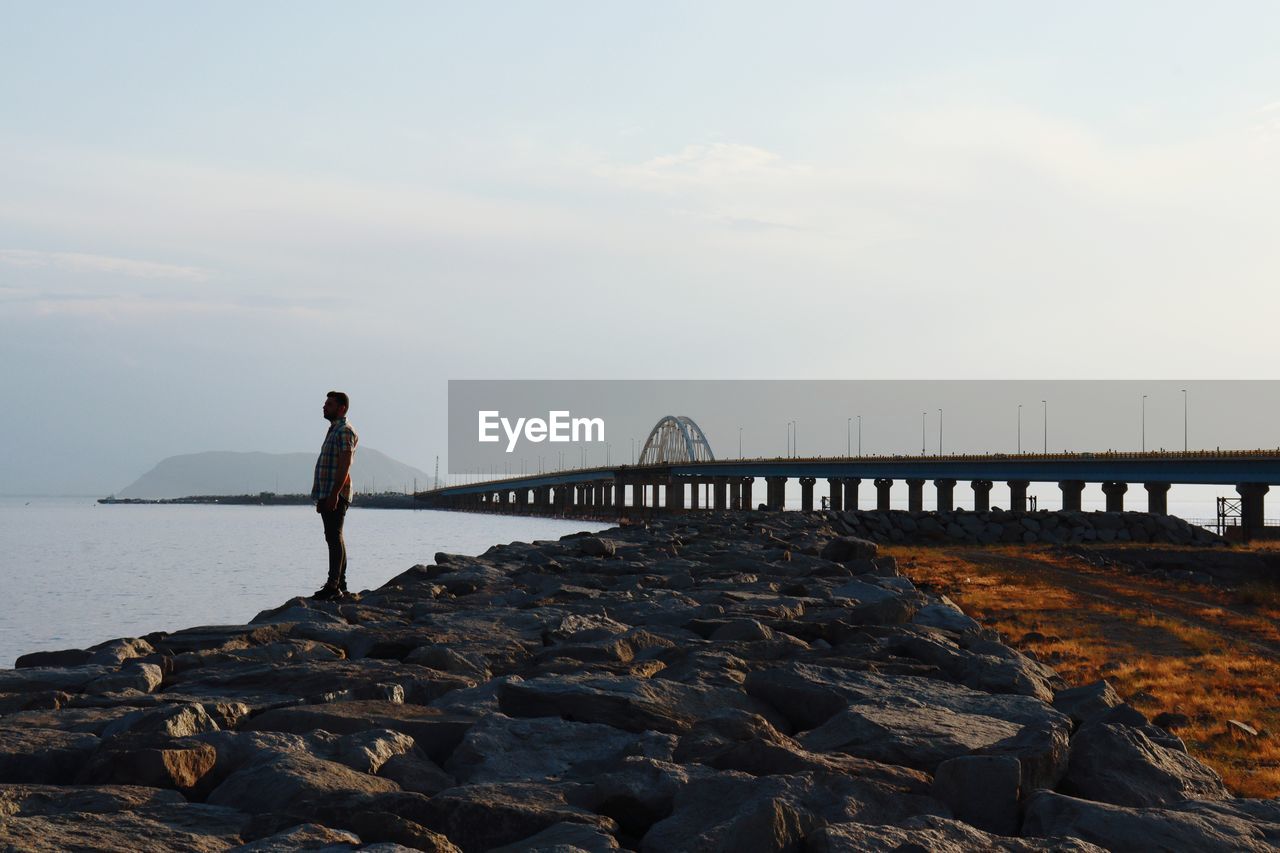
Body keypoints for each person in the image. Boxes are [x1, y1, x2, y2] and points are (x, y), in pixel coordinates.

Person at [311, 391, 358, 599]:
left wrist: (333, 495)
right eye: (325, 404)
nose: (324, 407)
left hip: (336, 493)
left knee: (334, 536)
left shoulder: (344, 431)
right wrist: (322, 496)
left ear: (342, 408)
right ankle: (341, 584)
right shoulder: (334, 430)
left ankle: (333, 585)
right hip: (328, 492)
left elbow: (345, 464)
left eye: (329, 404)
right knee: (334, 536)